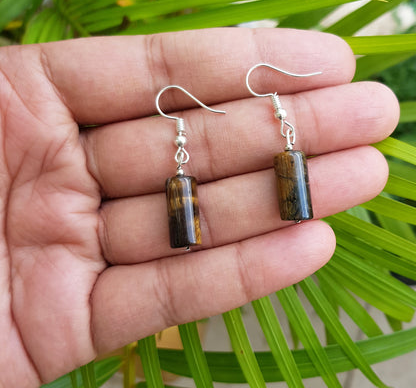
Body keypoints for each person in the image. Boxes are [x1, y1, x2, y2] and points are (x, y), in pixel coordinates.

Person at [0, 28, 398, 387]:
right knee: (188, 185)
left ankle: (244, 222)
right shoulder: (182, 182)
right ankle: (193, 235)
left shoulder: (282, 161)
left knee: (272, 167)